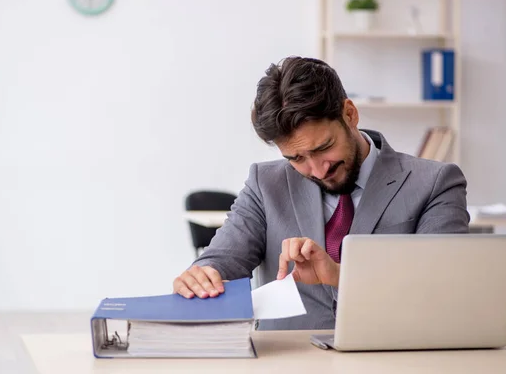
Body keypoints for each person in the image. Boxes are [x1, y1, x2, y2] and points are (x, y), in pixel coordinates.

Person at [173, 56, 469, 330]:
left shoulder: (434, 182)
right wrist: (203, 273)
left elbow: (443, 288)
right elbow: (224, 259)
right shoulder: (265, 183)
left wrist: (341, 275)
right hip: (288, 364)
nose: (316, 170)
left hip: (395, 358)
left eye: (323, 148)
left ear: (350, 114)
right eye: (296, 158)